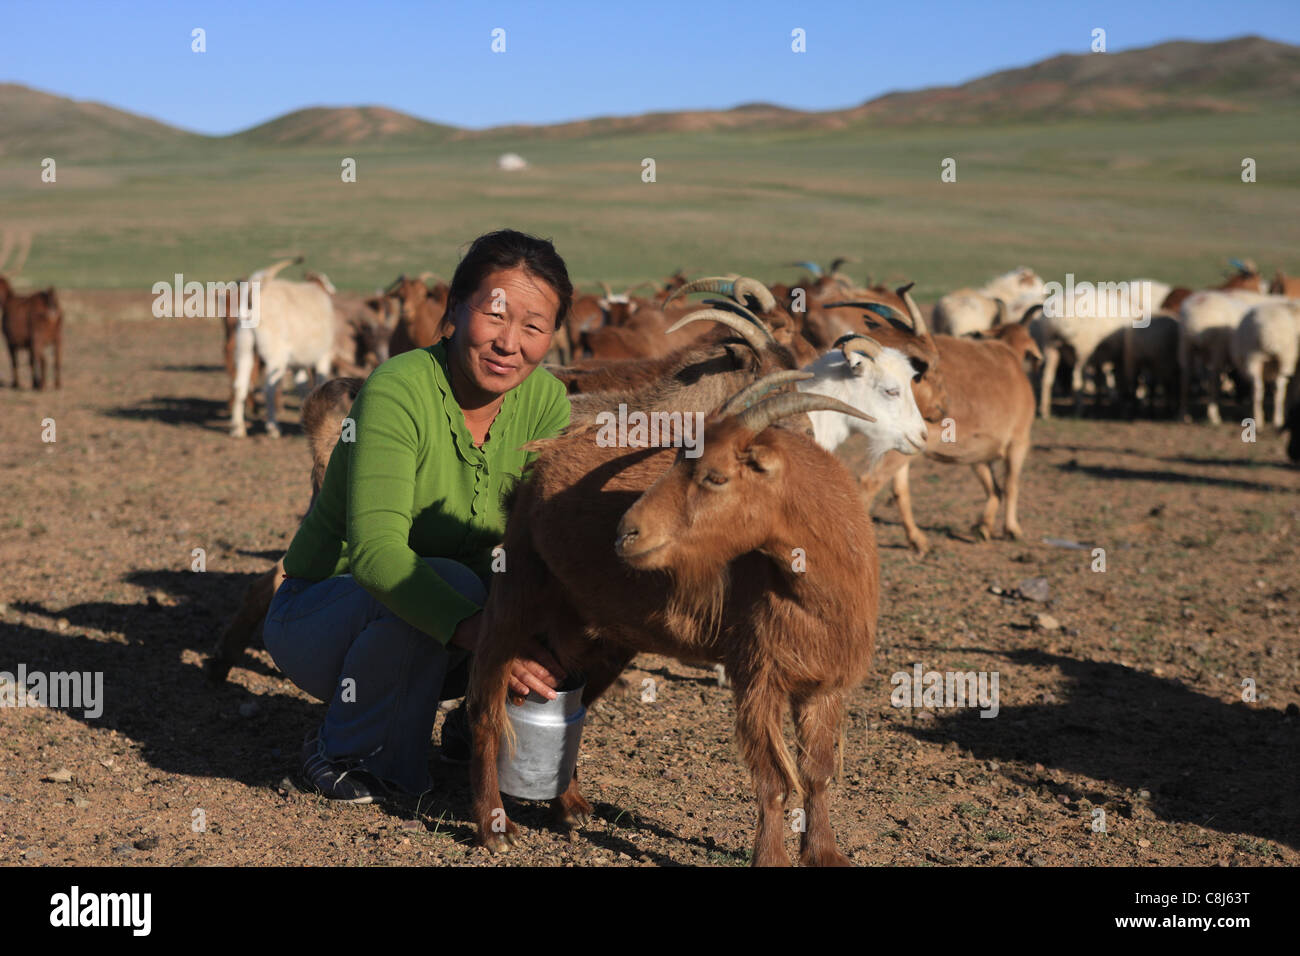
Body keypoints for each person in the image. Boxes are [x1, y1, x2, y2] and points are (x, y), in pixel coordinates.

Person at [263, 229, 573, 803]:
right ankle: (349, 752)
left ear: (552, 336)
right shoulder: (398, 389)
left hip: (449, 630)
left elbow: (543, 543)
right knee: (452, 580)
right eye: (495, 315)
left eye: (534, 327)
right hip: (325, 616)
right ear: (454, 307)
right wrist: (495, 642)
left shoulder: (546, 402)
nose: (510, 343)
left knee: (562, 586)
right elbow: (379, 559)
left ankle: (478, 724)